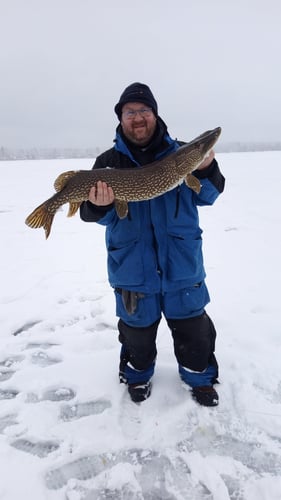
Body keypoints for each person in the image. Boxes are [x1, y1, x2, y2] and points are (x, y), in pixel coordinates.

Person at [80, 82, 225, 406]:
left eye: (144, 111)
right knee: (136, 337)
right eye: (130, 112)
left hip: (182, 268)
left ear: (155, 115)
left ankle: (199, 378)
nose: (138, 118)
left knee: (194, 334)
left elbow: (210, 195)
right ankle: (137, 375)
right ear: (121, 118)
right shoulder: (108, 162)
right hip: (133, 270)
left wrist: (206, 168)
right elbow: (92, 215)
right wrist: (100, 205)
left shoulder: (184, 153)